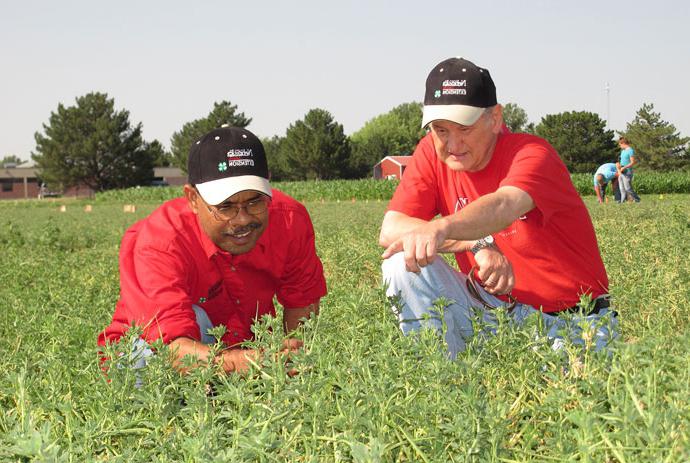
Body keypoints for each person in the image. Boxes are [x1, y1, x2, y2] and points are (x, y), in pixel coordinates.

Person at [379, 57, 617, 358]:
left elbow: (504, 205)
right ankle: (442, 383)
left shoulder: (532, 154)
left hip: (569, 323)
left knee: (571, 400)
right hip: (490, 310)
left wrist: (440, 228)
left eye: (463, 128)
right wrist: (477, 243)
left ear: (495, 118)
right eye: (440, 130)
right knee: (402, 263)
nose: (452, 144)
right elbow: (391, 228)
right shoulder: (431, 152)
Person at [99, 126, 327, 375]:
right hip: (156, 352)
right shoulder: (161, 240)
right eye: (225, 206)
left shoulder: (288, 220)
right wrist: (257, 364)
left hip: (243, 351)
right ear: (193, 199)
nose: (242, 220)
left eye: (255, 202)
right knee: (150, 355)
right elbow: (172, 350)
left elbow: (302, 303)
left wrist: (296, 363)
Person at [618, 137, 641, 202]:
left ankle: (637, 199)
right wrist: (619, 167)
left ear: (624, 143)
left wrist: (624, 167)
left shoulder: (630, 150)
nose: (620, 146)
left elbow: (632, 162)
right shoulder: (623, 151)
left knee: (628, 188)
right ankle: (622, 201)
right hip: (621, 171)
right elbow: (622, 161)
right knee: (622, 189)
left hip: (627, 172)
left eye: (620, 145)